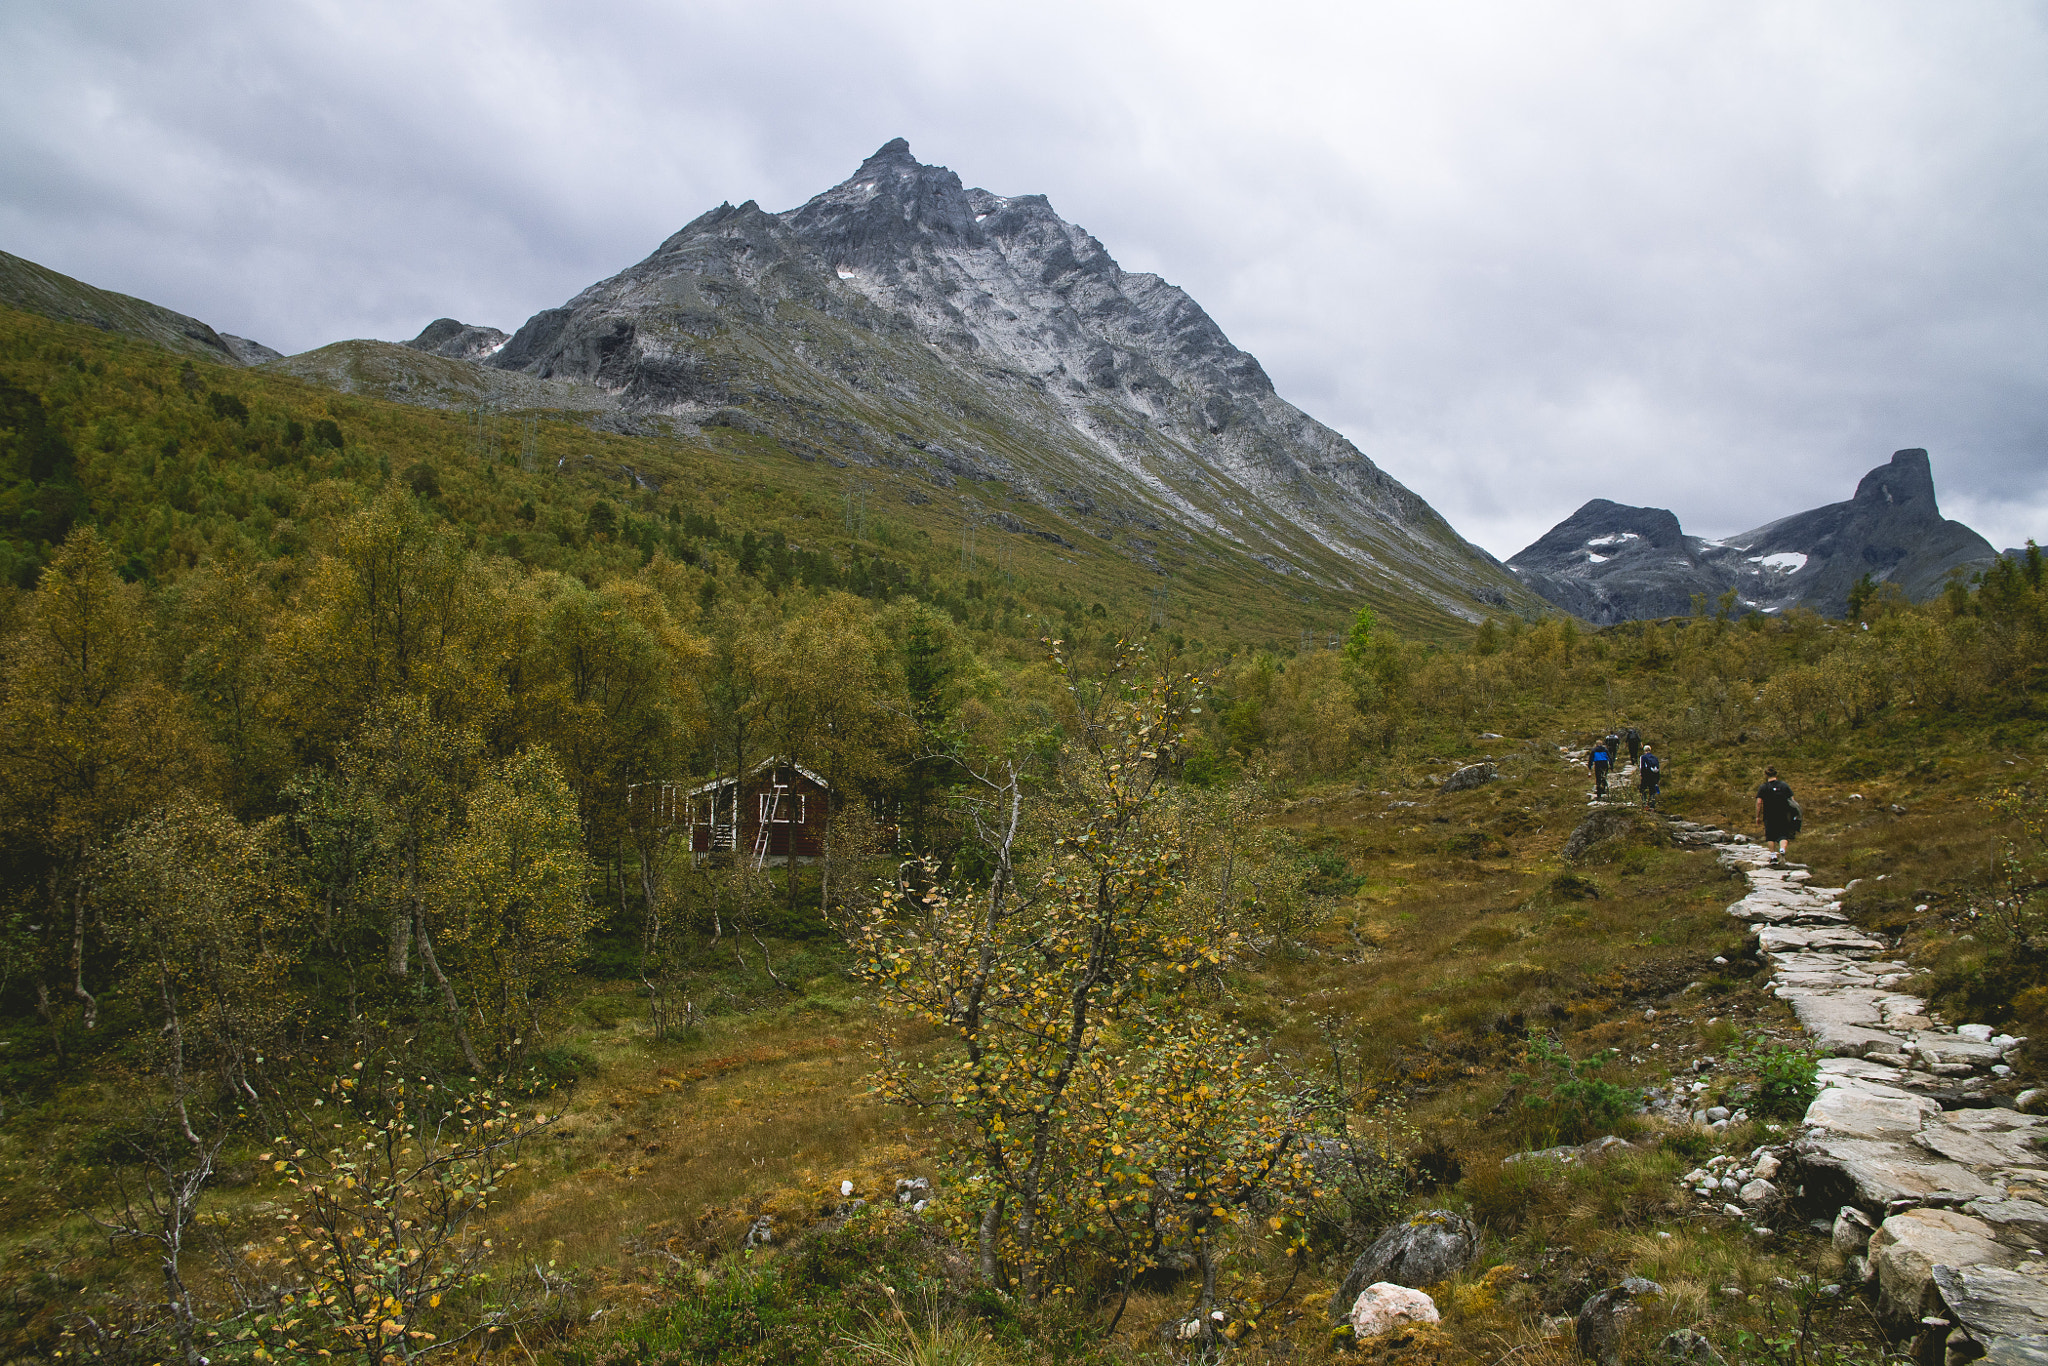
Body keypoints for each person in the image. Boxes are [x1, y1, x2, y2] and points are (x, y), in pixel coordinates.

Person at [1756, 766, 1797, 855]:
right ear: (1776, 774)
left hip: (1769, 815)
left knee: (1770, 837)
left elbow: (1759, 802)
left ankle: (1773, 855)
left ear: (1766, 775)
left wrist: (1757, 816)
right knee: (1783, 835)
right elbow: (1792, 800)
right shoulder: (1784, 785)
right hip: (1783, 814)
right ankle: (1782, 849)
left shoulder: (1763, 787)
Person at [1638, 743, 1661, 810]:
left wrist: (1641, 776)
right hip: (1654, 776)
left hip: (1646, 776)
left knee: (1643, 789)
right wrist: (1658, 778)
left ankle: (1645, 804)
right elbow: (1658, 768)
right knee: (1652, 790)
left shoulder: (1643, 757)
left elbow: (1642, 767)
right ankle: (1652, 805)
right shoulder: (1655, 758)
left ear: (1644, 750)